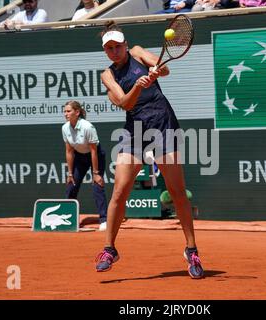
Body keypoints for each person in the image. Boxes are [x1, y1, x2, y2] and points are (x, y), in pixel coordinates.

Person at [94, 21, 204, 279]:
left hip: (163, 124)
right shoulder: (107, 75)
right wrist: (139, 85)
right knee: (119, 192)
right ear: (106, 52)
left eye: (118, 46)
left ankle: (192, 250)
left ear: (126, 45)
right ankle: (110, 249)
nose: (114, 51)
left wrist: (157, 69)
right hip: (135, 132)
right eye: (109, 48)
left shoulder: (138, 52)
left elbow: (163, 68)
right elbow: (123, 102)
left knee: (177, 191)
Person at [62, 100, 108, 231]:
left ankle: (104, 220)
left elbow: (94, 151)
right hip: (79, 157)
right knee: (71, 185)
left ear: (77, 112)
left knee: (97, 185)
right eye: (64, 111)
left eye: (68, 111)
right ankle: (67, 218)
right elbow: (69, 151)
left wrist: (96, 173)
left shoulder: (87, 127)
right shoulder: (65, 128)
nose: (66, 114)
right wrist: (70, 173)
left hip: (95, 156)